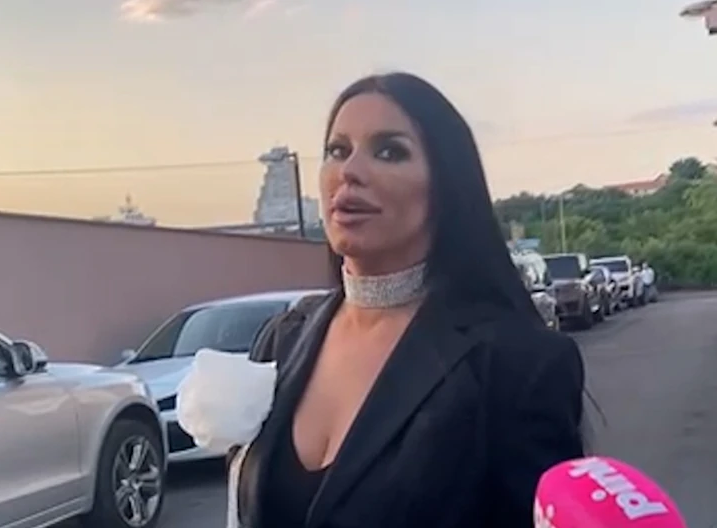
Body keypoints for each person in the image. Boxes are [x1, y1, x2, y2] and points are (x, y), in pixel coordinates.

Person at [230, 72, 586, 528]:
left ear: (445, 187)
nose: (349, 171)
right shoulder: (283, 340)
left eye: (388, 152)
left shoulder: (518, 361)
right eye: (338, 150)